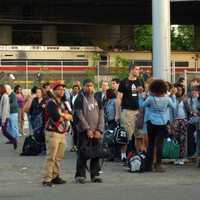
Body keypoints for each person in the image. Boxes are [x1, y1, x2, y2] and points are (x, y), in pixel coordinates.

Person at [140, 79, 176, 172]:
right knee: (159, 144)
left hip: (151, 122)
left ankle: (148, 165)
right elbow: (174, 106)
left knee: (151, 144)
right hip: (163, 123)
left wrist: (140, 96)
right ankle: (158, 165)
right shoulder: (167, 99)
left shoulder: (150, 99)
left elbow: (142, 105)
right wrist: (173, 96)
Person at [74, 79, 104, 184]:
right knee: (82, 153)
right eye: (87, 86)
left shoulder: (97, 98)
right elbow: (79, 115)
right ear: (83, 86)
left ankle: (95, 175)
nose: (89, 88)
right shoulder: (79, 98)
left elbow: (101, 114)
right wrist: (87, 129)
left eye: (91, 86)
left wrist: (99, 130)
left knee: (96, 154)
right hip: (84, 131)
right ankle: (80, 176)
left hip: (96, 131)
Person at [42, 82, 72, 187]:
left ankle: (55, 176)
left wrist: (62, 114)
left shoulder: (64, 102)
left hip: (62, 132)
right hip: (52, 132)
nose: (62, 91)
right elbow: (56, 117)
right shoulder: (51, 102)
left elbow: (71, 116)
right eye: (59, 89)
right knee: (51, 157)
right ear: (54, 90)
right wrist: (64, 115)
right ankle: (47, 179)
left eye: (63, 89)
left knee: (59, 157)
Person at [116, 64, 144, 162]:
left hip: (139, 112)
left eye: (139, 69)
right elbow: (119, 98)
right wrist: (118, 113)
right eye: (137, 69)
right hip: (127, 111)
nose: (138, 71)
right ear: (131, 70)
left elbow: (144, 95)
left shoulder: (140, 81)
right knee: (126, 135)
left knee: (139, 135)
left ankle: (138, 154)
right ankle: (123, 155)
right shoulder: (124, 82)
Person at [171, 84, 191, 164]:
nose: (178, 91)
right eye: (177, 89)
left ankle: (182, 157)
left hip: (183, 120)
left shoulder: (185, 99)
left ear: (182, 91)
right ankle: (176, 156)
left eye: (180, 89)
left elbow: (188, 110)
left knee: (183, 138)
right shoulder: (173, 98)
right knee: (175, 137)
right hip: (175, 120)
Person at [29, 88, 46, 154]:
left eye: (39, 92)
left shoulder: (45, 100)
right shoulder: (34, 100)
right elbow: (31, 109)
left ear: (42, 93)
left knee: (42, 134)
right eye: (37, 92)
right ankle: (38, 149)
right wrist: (31, 117)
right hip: (34, 120)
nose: (38, 94)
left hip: (43, 120)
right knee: (36, 134)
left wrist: (44, 107)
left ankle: (43, 149)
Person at [0, 85, 17, 149]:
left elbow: (5, 109)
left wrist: (3, 120)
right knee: (4, 131)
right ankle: (13, 140)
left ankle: (14, 140)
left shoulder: (5, 97)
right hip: (2, 116)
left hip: (4, 117)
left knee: (4, 131)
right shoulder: (3, 96)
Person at [70, 84, 81, 152]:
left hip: (78, 116)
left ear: (78, 90)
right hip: (72, 117)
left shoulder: (80, 97)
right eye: (74, 89)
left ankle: (78, 145)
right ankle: (74, 146)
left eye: (76, 89)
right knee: (74, 132)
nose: (75, 90)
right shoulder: (71, 97)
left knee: (78, 131)